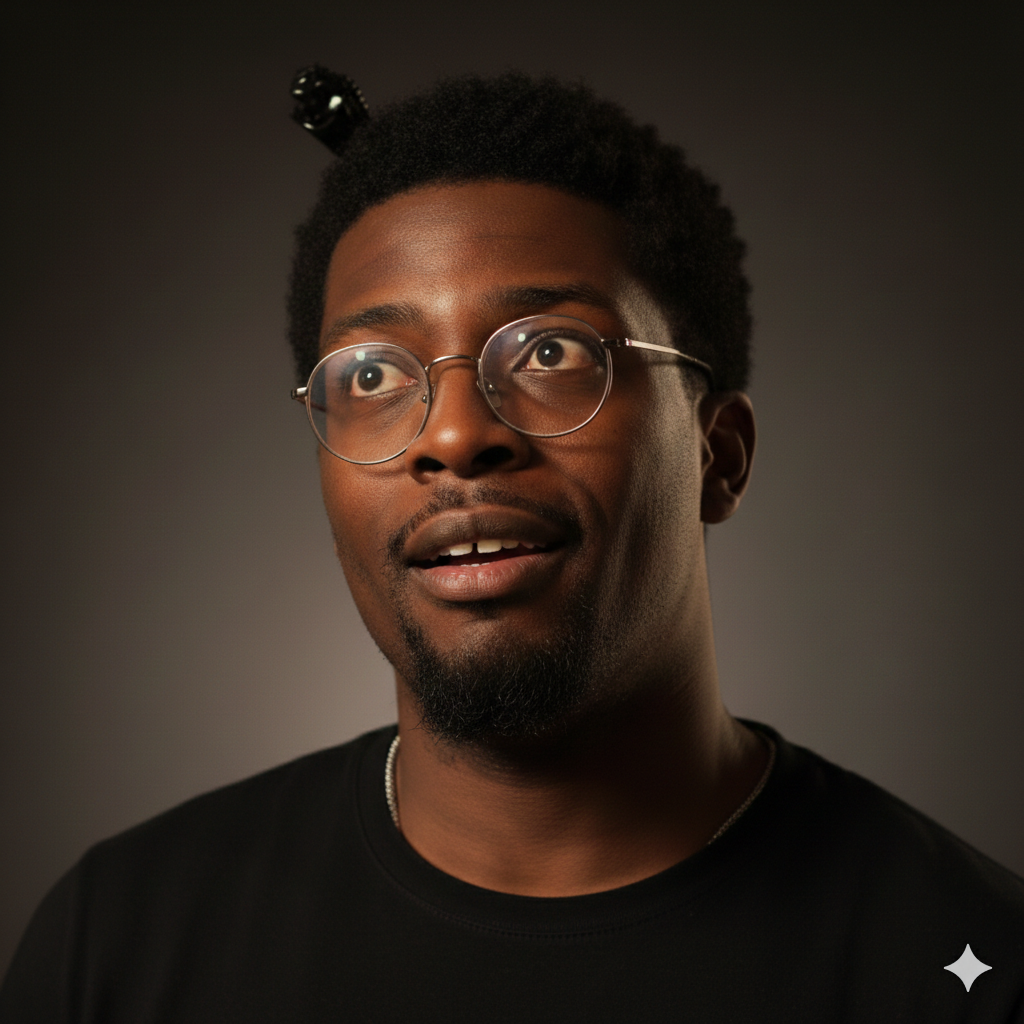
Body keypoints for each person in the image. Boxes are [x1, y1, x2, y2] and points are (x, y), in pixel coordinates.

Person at [2, 71, 1022, 1024]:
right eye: (369, 374)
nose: (452, 435)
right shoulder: (119, 947)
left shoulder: (966, 962)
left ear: (719, 455)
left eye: (549, 351)